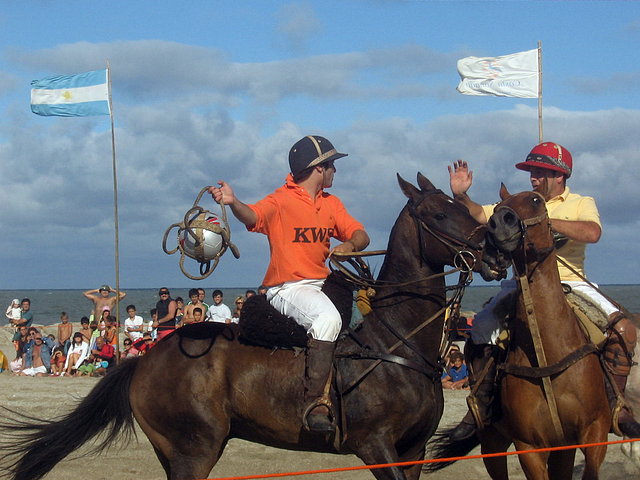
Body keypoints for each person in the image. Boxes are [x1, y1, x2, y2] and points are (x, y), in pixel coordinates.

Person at [447, 141, 638, 440]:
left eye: (540, 172)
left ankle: (616, 406)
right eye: (532, 172)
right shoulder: (519, 202)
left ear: (559, 175)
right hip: (520, 284)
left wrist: (545, 222)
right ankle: (480, 407)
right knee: (481, 327)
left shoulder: (581, 202)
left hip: (572, 282)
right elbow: (480, 215)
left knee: (625, 330)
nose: (533, 177)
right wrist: (461, 196)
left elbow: (592, 232)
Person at [209, 134, 369, 432]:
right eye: (332, 164)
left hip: (321, 285)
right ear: (318, 168)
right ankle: (314, 403)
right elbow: (252, 215)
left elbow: (359, 234)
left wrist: (350, 245)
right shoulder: (280, 200)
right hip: (288, 288)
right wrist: (232, 202)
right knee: (327, 319)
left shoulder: (332, 204)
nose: (336, 170)